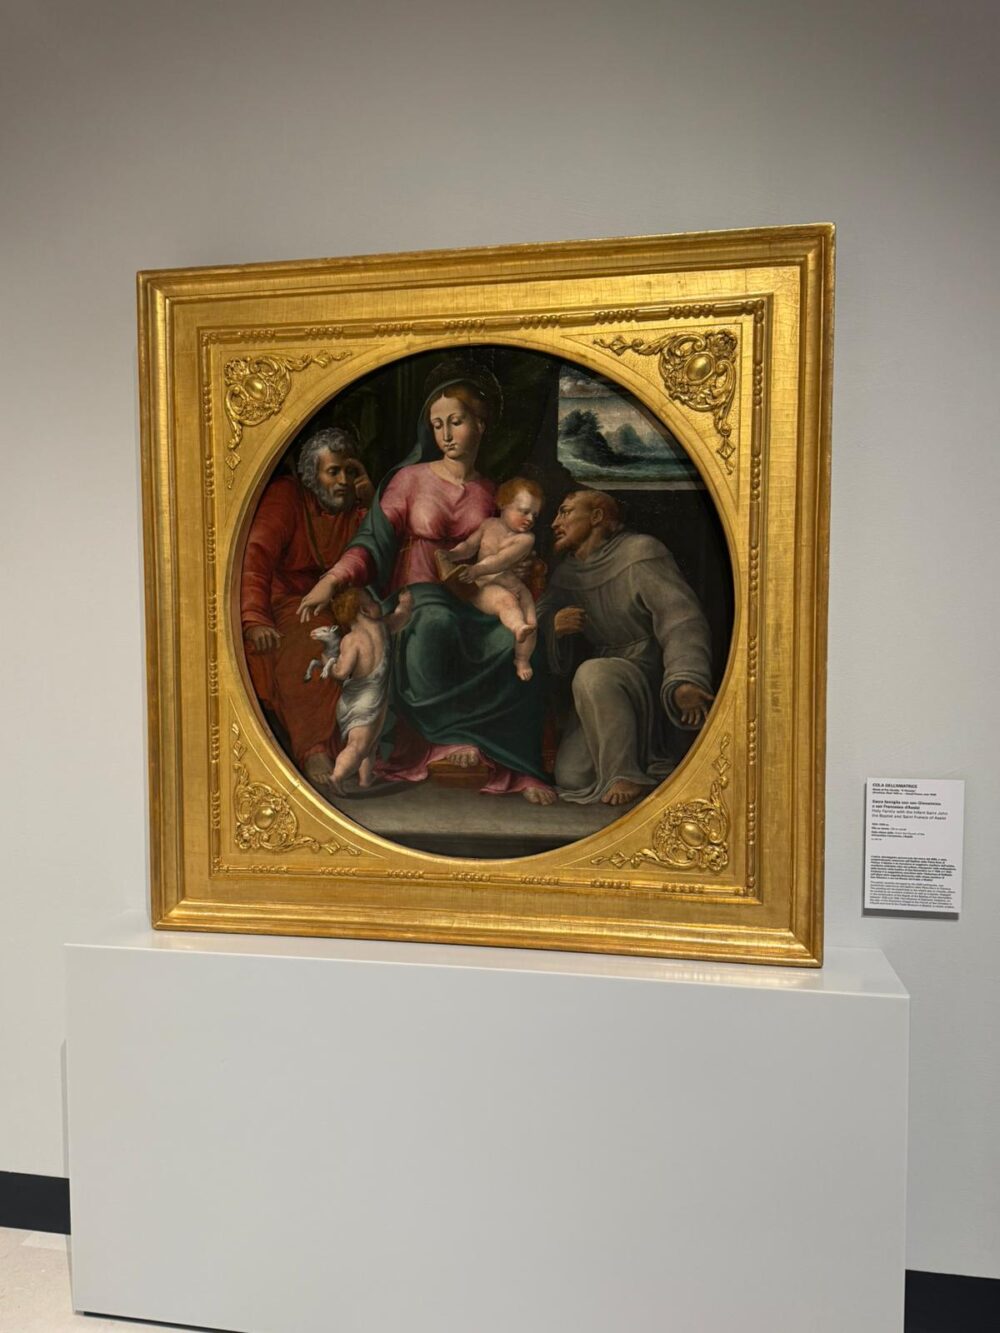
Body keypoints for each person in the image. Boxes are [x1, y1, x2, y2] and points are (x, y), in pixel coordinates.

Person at [297, 360, 556, 804]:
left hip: (475, 599)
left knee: (518, 638)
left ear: (480, 424)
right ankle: (441, 742)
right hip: (417, 598)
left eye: (456, 422)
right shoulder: (409, 480)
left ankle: (513, 764)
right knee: (434, 622)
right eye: (438, 426)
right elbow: (372, 542)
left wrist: (513, 567)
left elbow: (508, 545)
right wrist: (334, 579)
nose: (447, 435)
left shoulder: (491, 492)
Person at [538, 489, 715, 806]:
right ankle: (624, 766)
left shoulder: (640, 552)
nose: (554, 522)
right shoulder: (567, 573)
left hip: (649, 671)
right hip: (601, 685)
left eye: (565, 512)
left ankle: (627, 774)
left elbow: (680, 618)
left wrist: (686, 677)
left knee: (593, 672)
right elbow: (540, 617)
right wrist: (553, 626)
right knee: (572, 776)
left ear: (596, 517)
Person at [240, 426, 371, 791]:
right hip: (287, 603)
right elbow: (255, 557)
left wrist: (371, 502)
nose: (343, 480)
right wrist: (254, 619)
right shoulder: (286, 498)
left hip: (341, 603)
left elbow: (375, 556)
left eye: (349, 471)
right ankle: (314, 748)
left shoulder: (355, 506)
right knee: (312, 645)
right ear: (313, 476)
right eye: (333, 472)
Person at [441, 477, 543, 681]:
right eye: (524, 511)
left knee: (532, 620)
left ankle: (522, 659)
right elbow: (469, 546)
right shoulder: (488, 525)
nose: (530, 518)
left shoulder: (526, 539)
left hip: (510, 583)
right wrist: (452, 555)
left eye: (535, 515)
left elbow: (502, 560)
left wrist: (477, 569)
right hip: (485, 584)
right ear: (503, 504)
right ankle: (517, 627)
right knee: (507, 601)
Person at [315, 587, 414, 794]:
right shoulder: (382, 628)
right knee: (358, 745)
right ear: (364, 610)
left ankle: (365, 779)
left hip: (361, 698)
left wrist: (329, 661)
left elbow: (341, 672)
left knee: (371, 742)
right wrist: (405, 604)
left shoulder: (351, 640)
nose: (377, 604)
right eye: (372, 600)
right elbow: (401, 618)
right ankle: (337, 777)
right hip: (365, 699)